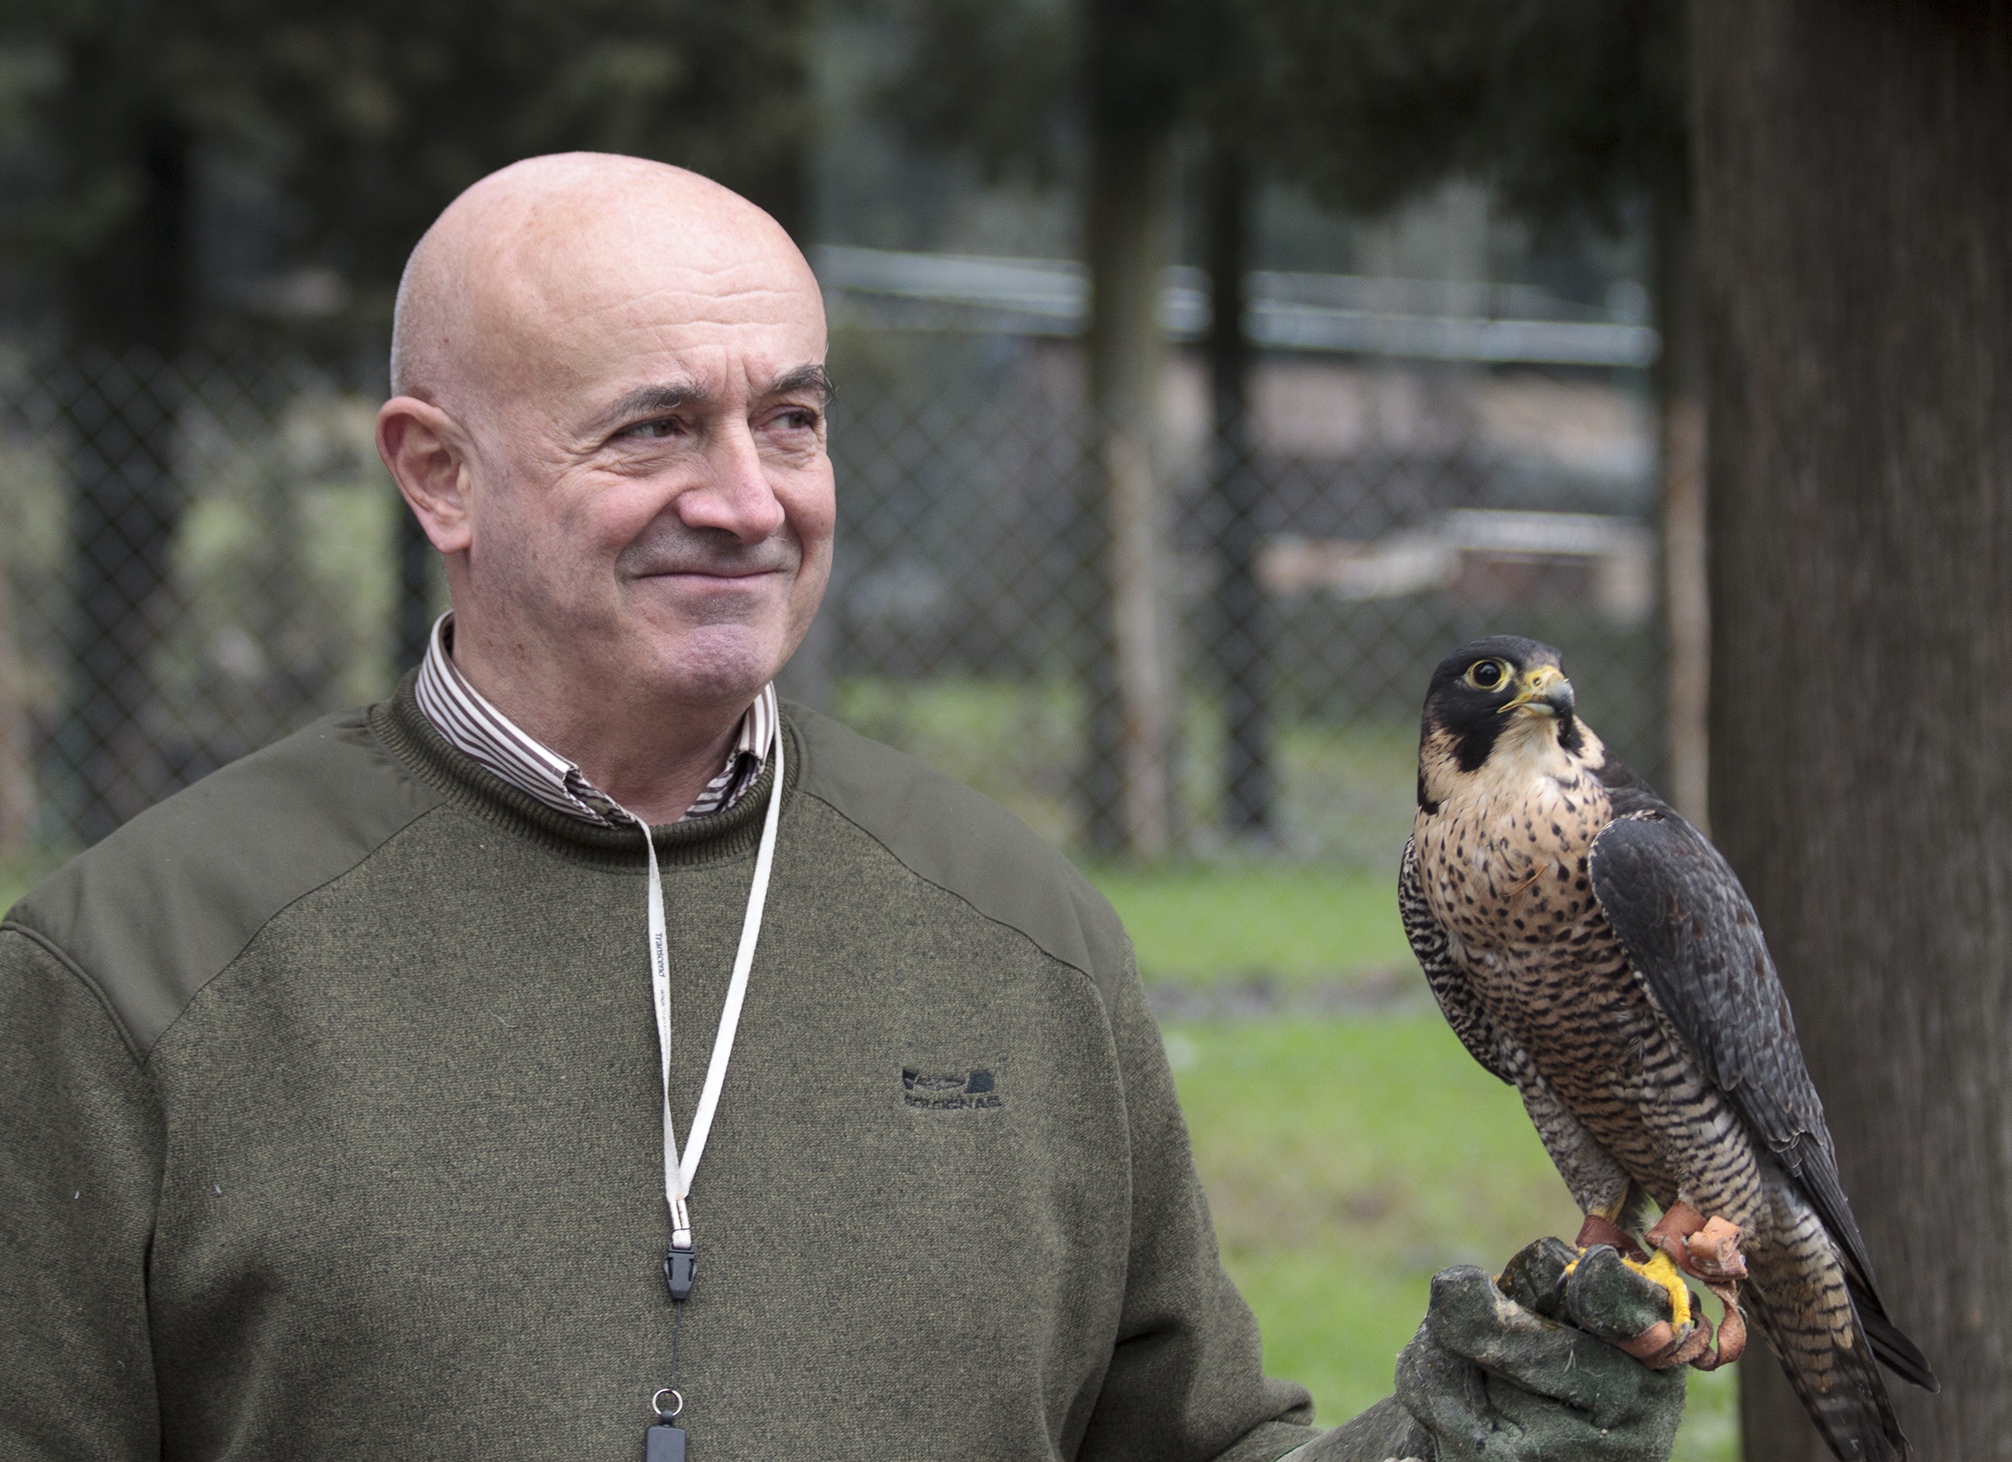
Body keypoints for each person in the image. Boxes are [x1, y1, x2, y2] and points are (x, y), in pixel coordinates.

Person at [0, 154, 1684, 1460]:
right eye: (656, 427)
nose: (746, 501)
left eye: (789, 419)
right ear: (438, 470)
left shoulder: (1017, 929)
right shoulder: (130, 972)